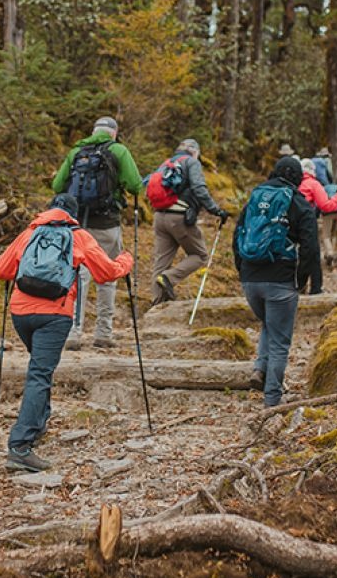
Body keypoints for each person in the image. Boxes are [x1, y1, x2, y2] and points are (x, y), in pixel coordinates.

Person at [0, 194, 134, 471]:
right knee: (40, 374)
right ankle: (20, 445)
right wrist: (126, 260)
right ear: (73, 214)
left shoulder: (29, 233)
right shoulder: (78, 236)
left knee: (40, 368)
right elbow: (106, 273)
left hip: (21, 313)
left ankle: (39, 421)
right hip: (54, 315)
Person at [233, 156, 318, 407]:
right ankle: (272, 401)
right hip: (280, 281)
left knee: (270, 324)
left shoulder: (254, 199)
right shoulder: (299, 204)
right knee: (281, 341)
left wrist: (243, 272)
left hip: (250, 280)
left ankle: (259, 369)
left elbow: (237, 236)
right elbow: (311, 248)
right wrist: (301, 280)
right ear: (298, 178)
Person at [50, 116, 142, 349]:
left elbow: (57, 186)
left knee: (79, 276)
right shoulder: (119, 150)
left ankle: (73, 333)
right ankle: (103, 333)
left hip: (78, 224)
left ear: (93, 131)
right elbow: (135, 185)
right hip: (107, 223)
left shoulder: (76, 152)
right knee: (108, 275)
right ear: (114, 132)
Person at [146, 138, 229, 306]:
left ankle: (157, 305)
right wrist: (216, 210)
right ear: (195, 152)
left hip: (159, 217)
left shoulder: (166, 163)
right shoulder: (191, 162)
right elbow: (199, 188)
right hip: (179, 218)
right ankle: (169, 278)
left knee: (161, 261)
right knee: (200, 255)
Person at [298, 158, 337, 293]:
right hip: (308, 222)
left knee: (302, 253)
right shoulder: (313, 184)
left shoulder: (295, 183)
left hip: (293, 223)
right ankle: (313, 288)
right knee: (313, 254)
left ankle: (301, 286)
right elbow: (326, 205)